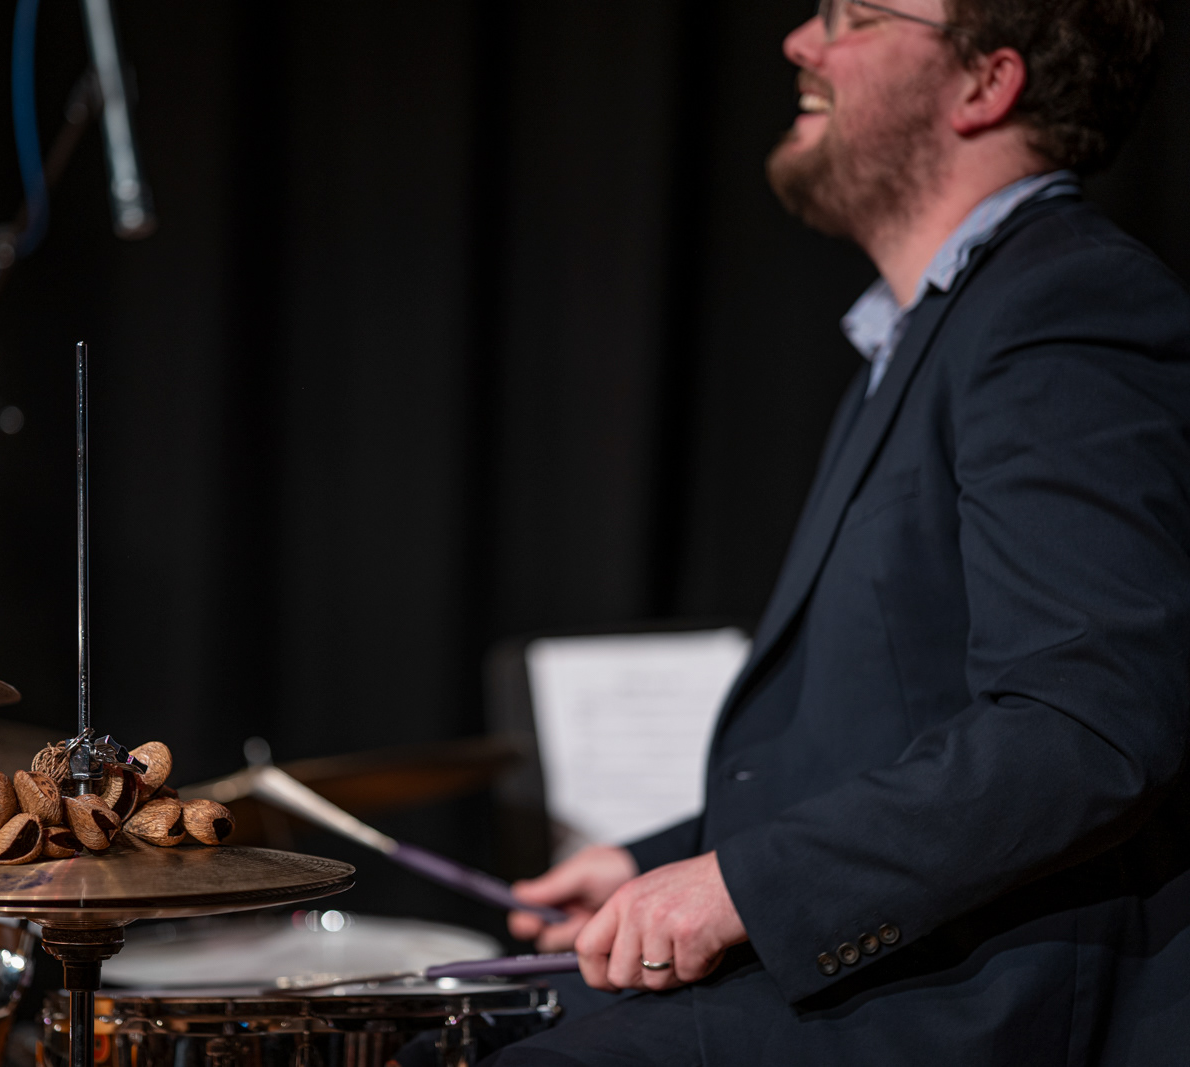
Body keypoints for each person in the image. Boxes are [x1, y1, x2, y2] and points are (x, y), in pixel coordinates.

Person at [492, 0, 1190, 1062]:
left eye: (855, 15)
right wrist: (661, 858)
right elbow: (889, 731)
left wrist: (739, 884)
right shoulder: (927, 329)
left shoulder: (1067, 302)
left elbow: (1084, 723)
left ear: (985, 84)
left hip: (980, 995)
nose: (799, 42)